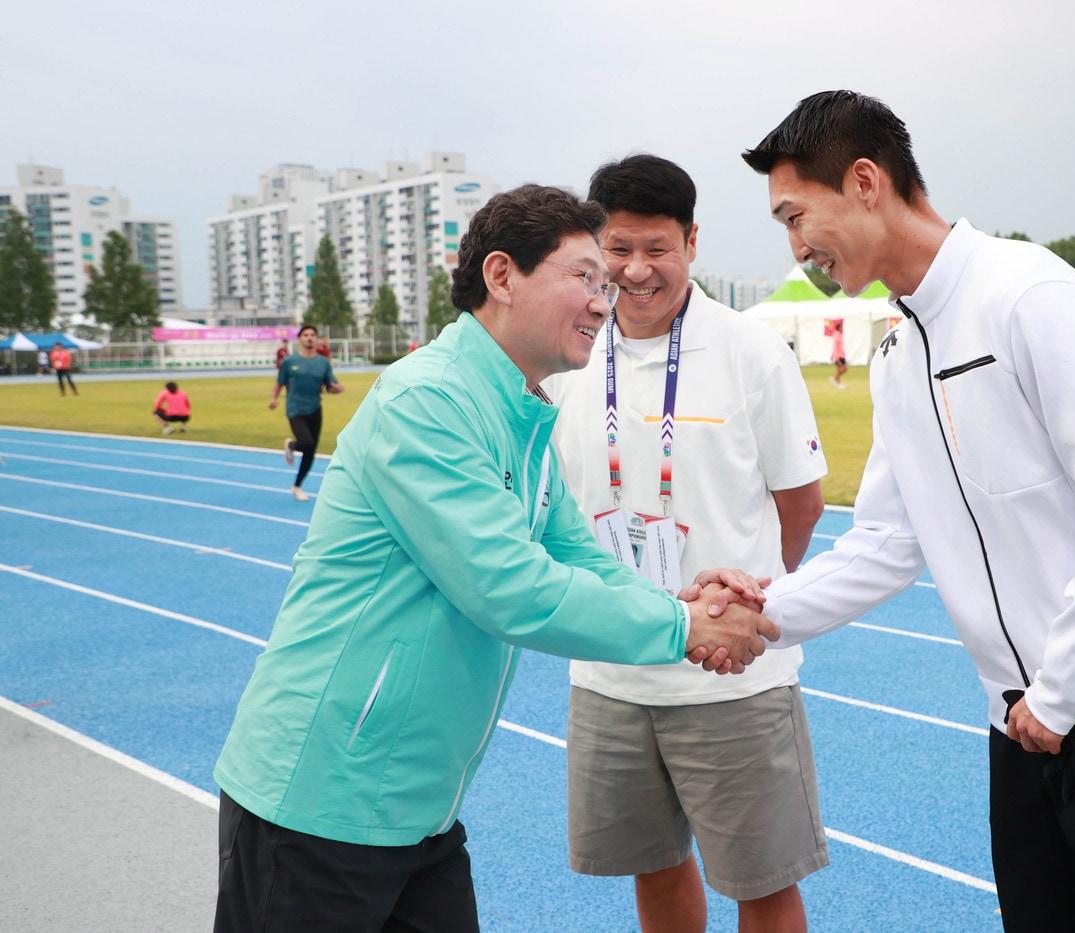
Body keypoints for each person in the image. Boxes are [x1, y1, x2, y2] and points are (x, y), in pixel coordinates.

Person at [730, 90, 1075, 933]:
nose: (797, 249)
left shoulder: (1029, 296)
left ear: (866, 181)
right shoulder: (899, 352)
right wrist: (762, 612)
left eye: (797, 217)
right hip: (1023, 727)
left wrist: (1059, 693)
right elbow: (887, 541)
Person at [213, 184, 779, 933]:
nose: (602, 302)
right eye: (585, 277)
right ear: (503, 275)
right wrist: (687, 629)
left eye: (602, 285)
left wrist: (686, 599)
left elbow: (581, 557)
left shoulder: (522, 412)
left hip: (419, 806)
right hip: (324, 799)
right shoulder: (428, 402)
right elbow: (509, 588)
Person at [546, 155, 830, 933]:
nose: (636, 270)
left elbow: (800, 504)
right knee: (654, 865)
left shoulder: (749, 351)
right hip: (611, 671)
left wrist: (746, 607)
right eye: (619, 248)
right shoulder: (571, 354)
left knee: (764, 881)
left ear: (692, 242)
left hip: (730, 679)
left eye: (657, 248)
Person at [270, 324, 344, 501]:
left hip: (315, 409)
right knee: (307, 442)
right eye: (306, 335)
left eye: (312, 335)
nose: (309, 337)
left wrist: (337, 389)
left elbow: (329, 386)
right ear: (300, 339)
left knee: (310, 452)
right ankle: (292, 446)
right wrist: (274, 399)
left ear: (316, 339)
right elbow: (280, 382)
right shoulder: (290, 362)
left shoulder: (323, 363)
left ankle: (296, 486)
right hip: (295, 408)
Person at [829, 317, 848, 388]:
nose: (842, 328)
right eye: (841, 327)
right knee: (840, 369)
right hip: (838, 356)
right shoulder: (836, 334)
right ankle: (837, 381)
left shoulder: (840, 335)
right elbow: (835, 347)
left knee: (845, 369)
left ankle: (835, 379)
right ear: (839, 327)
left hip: (842, 355)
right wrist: (835, 356)